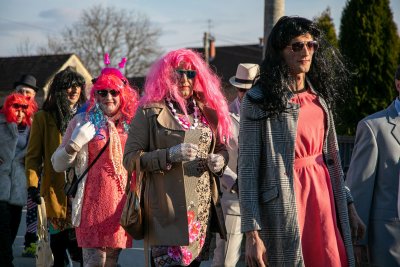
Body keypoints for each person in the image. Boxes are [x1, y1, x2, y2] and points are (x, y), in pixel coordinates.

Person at [238, 16, 366, 267]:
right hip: (285, 202)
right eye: (296, 46)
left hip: (325, 199)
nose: (306, 52)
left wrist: (349, 206)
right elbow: (248, 170)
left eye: (311, 45)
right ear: (279, 51)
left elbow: (334, 162)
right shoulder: (257, 99)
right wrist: (252, 233)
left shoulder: (320, 98)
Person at [123, 48, 231, 267]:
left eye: (190, 74)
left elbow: (221, 147)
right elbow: (130, 159)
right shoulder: (149, 112)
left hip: (200, 214)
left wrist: (220, 160)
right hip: (166, 212)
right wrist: (168, 155)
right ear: (165, 76)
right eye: (177, 73)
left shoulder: (206, 111)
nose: (184, 79)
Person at [52, 57, 138, 266]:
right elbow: (57, 163)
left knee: (111, 263)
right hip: (90, 207)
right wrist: (75, 143)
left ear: (122, 94)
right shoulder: (82, 121)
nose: (108, 97)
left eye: (114, 92)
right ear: (95, 94)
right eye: (102, 92)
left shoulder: (132, 124)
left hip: (121, 207)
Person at [25, 66, 87, 267]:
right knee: (58, 250)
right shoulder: (44, 117)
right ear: (59, 89)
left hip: (83, 192)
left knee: (83, 251)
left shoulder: (88, 116)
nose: (74, 90)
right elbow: (33, 157)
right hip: (55, 193)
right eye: (69, 86)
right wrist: (33, 185)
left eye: (78, 86)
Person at [345, 64, 400, 266]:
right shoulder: (374, 127)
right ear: (398, 84)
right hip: (389, 243)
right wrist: (357, 242)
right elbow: (359, 188)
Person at [212, 63, 260, 267]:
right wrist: (234, 183)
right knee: (225, 260)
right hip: (233, 197)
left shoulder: (269, 115)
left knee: (261, 259)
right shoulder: (224, 116)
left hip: (263, 198)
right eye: (240, 89)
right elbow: (215, 154)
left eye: (249, 89)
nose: (244, 94)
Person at [0, 93, 37, 267]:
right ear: (8, 107)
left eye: (24, 108)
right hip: (1, 180)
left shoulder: (31, 128)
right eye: (16, 107)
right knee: (3, 225)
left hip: (18, 182)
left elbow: (36, 152)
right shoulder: (0, 123)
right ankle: (7, 261)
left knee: (14, 224)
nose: (20, 112)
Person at [12, 73, 41, 258]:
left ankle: (30, 243)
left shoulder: (38, 118)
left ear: (33, 96)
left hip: (30, 170)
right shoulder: (5, 114)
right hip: (7, 171)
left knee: (32, 209)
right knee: (9, 210)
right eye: (20, 91)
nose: (24, 94)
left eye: (27, 91)